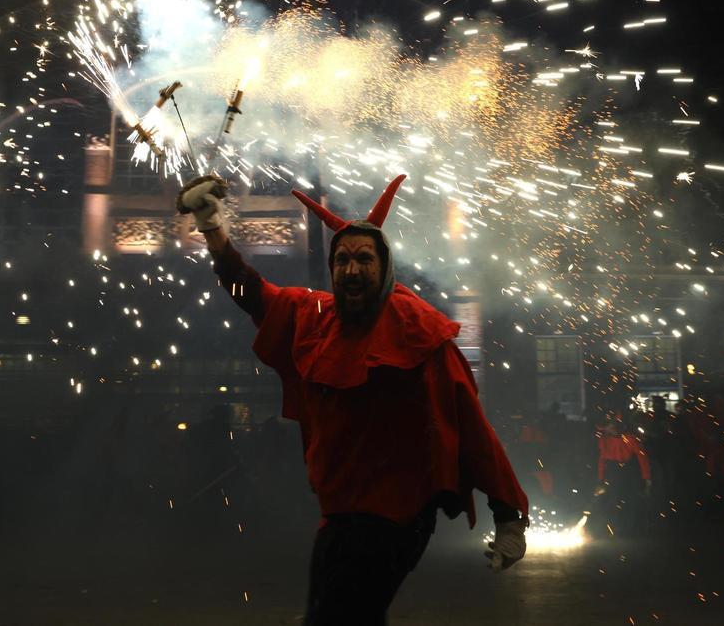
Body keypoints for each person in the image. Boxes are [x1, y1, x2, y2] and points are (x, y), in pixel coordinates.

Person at [178, 173, 530, 625]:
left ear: (384, 269)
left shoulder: (419, 332)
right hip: (340, 513)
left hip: (397, 515)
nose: (352, 270)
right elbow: (251, 293)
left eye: (364, 259)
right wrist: (211, 226)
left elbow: (470, 427)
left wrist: (509, 516)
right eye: (342, 260)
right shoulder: (316, 317)